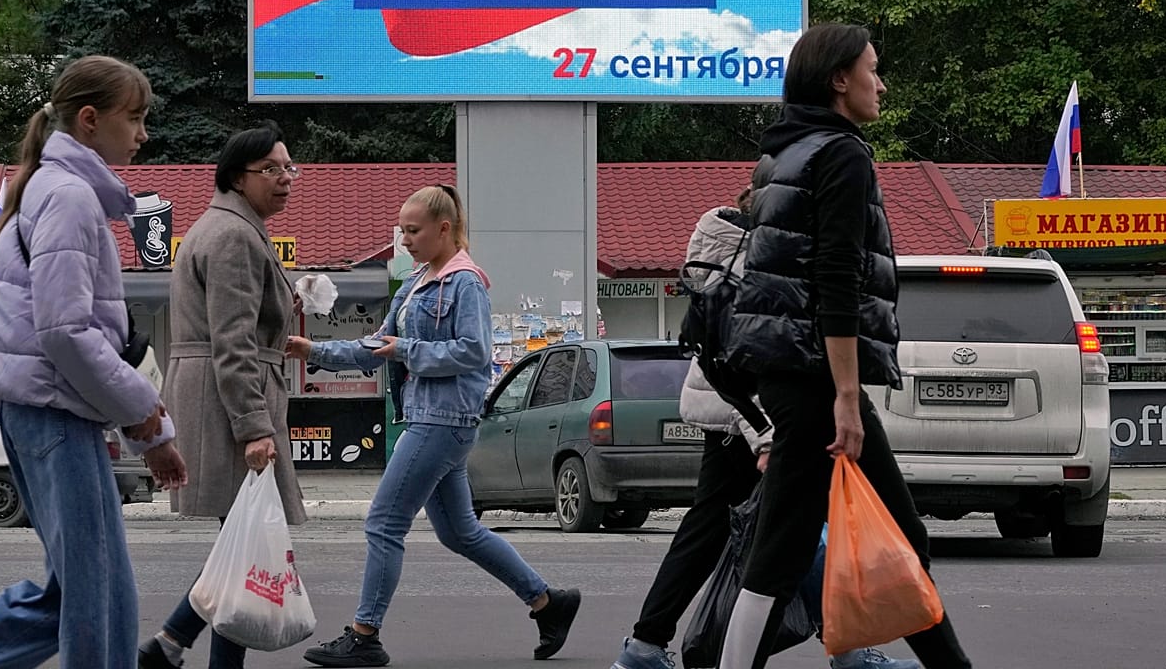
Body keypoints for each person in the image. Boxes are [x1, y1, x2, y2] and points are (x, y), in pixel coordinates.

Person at [0, 55, 188, 669]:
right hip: (53, 413)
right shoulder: (71, 197)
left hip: (40, 409)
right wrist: (146, 418)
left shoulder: (44, 187)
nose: (143, 133)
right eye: (134, 118)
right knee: (96, 596)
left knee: (80, 592)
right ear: (88, 120)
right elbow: (65, 332)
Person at [716, 24, 973, 669]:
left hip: (786, 370)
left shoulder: (781, 155)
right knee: (785, 548)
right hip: (816, 379)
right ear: (839, 79)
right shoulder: (842, 154)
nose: (880, 84)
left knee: (845, 536)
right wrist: (849, 399)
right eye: (873, 70)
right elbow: (836, 280)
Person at [611, 193, 920, 669]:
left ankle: (644, 646)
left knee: (709, 531)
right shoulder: (757, 260)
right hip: (756, 420)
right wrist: (768, 436)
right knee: (803, 533)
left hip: (729, 416)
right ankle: (847, 652)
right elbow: (755, 357)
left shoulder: (720, 246)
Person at [288, 185, 581, 668]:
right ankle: (548, 602)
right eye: (402, 230)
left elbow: (474, 351)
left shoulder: (465, 283)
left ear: (444, 228)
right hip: (429, 417)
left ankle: (365, 635)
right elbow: (376, 343)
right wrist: (314, 351)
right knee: (460, 532)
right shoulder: (419, 281)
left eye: (413, 230)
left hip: (443, 421)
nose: (404, 240)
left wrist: (406, 351)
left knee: (383, 523)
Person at [139, 122, 307, 669]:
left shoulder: (226, 225)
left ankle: (168, 644)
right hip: (229, 396)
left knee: (239, 542)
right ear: (239, 176)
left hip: (218, 389)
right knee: (244, 542)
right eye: (273, 170)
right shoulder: (235, 235)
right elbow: (232, 341)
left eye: (289, 168)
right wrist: (254, 426)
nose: (286, 179)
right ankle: (174, 646)